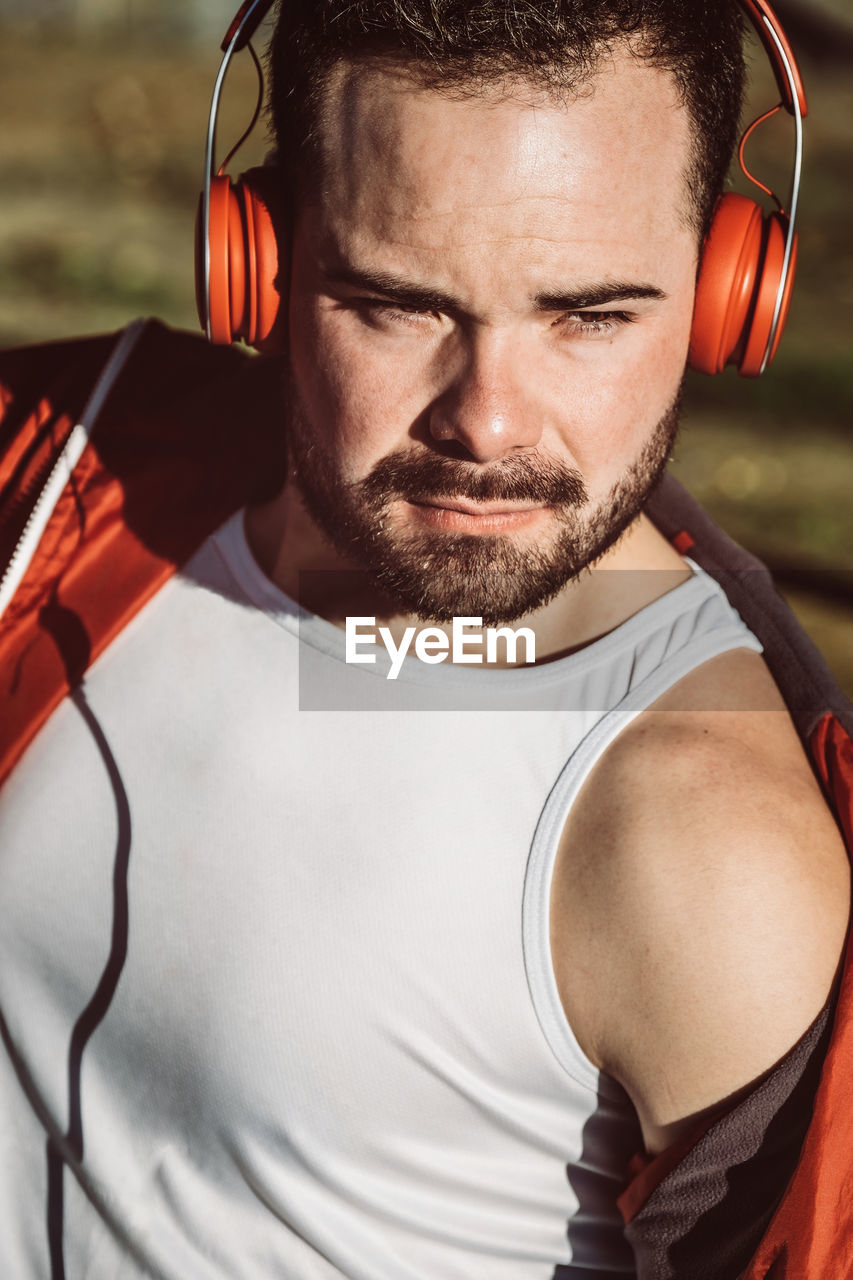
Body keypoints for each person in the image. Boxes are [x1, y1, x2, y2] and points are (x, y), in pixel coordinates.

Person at [1, 1, 852, 1277]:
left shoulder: (706, 847)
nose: (489, 422)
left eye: (591, 315)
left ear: (733, 293)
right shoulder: (62, 471)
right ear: (259, 259)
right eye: (396, 305)